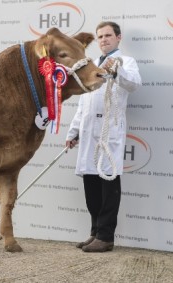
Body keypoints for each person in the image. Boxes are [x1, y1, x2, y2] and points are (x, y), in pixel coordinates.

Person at [65, 21, 142, 252]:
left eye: (108, 35)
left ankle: (106, 236)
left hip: (110, 131)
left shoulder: (125, 62)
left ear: (118, 37)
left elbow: (134, 84)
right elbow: (84, 102)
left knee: (108, 183)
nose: (104, 39)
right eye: (100, 36)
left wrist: (115, 71)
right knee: (90, 184)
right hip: (89, 132)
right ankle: (95, 232)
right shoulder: (90, 66)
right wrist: (74, 131)